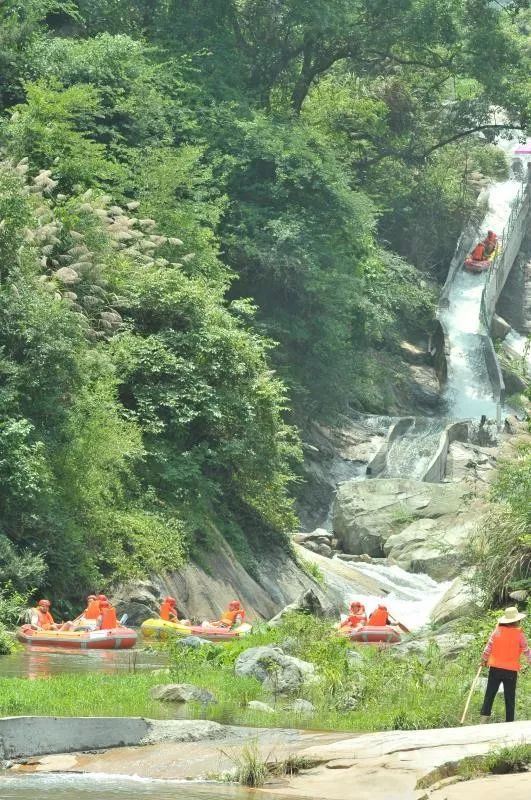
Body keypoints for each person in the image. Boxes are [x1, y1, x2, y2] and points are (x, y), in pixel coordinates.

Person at [479, 606, 531, 723]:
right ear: (516, 621)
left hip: (495, 669)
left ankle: (482, 722)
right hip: (510, 671)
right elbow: (527, 651)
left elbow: (488, 647)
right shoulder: (519, 635)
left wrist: (483, 659)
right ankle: (509, 723)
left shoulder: (497, 631)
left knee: (489, 695)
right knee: (509, 698)